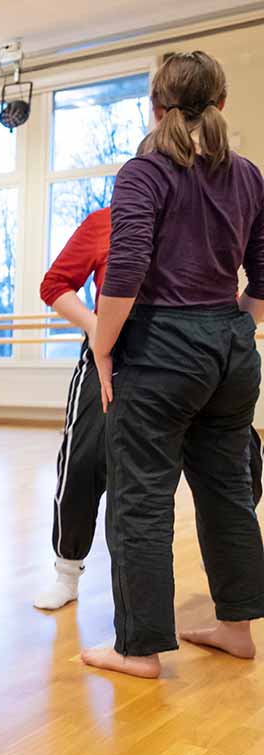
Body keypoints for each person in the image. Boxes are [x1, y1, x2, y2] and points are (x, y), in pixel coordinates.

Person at [82, 50, 264, 679]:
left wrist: (103, 347)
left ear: (155, 108)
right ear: (221, 104)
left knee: (140, 498)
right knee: (228, 490)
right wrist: (227, 323)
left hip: (162, 350)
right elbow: (262, 283)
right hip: (233, 349)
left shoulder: (144, 171)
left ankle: (138, 649)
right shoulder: (249, 175)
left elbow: (125, 271)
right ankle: (237, 628)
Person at [35, 206, 264, 610]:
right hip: (115, 349)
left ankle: (232, 576)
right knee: (84, 458)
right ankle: (67, 569)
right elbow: (55, 283)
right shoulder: (106, 220)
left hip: (195, 353)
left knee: (242, 462)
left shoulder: (206, 218)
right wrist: (95, 329)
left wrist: (235, 331)